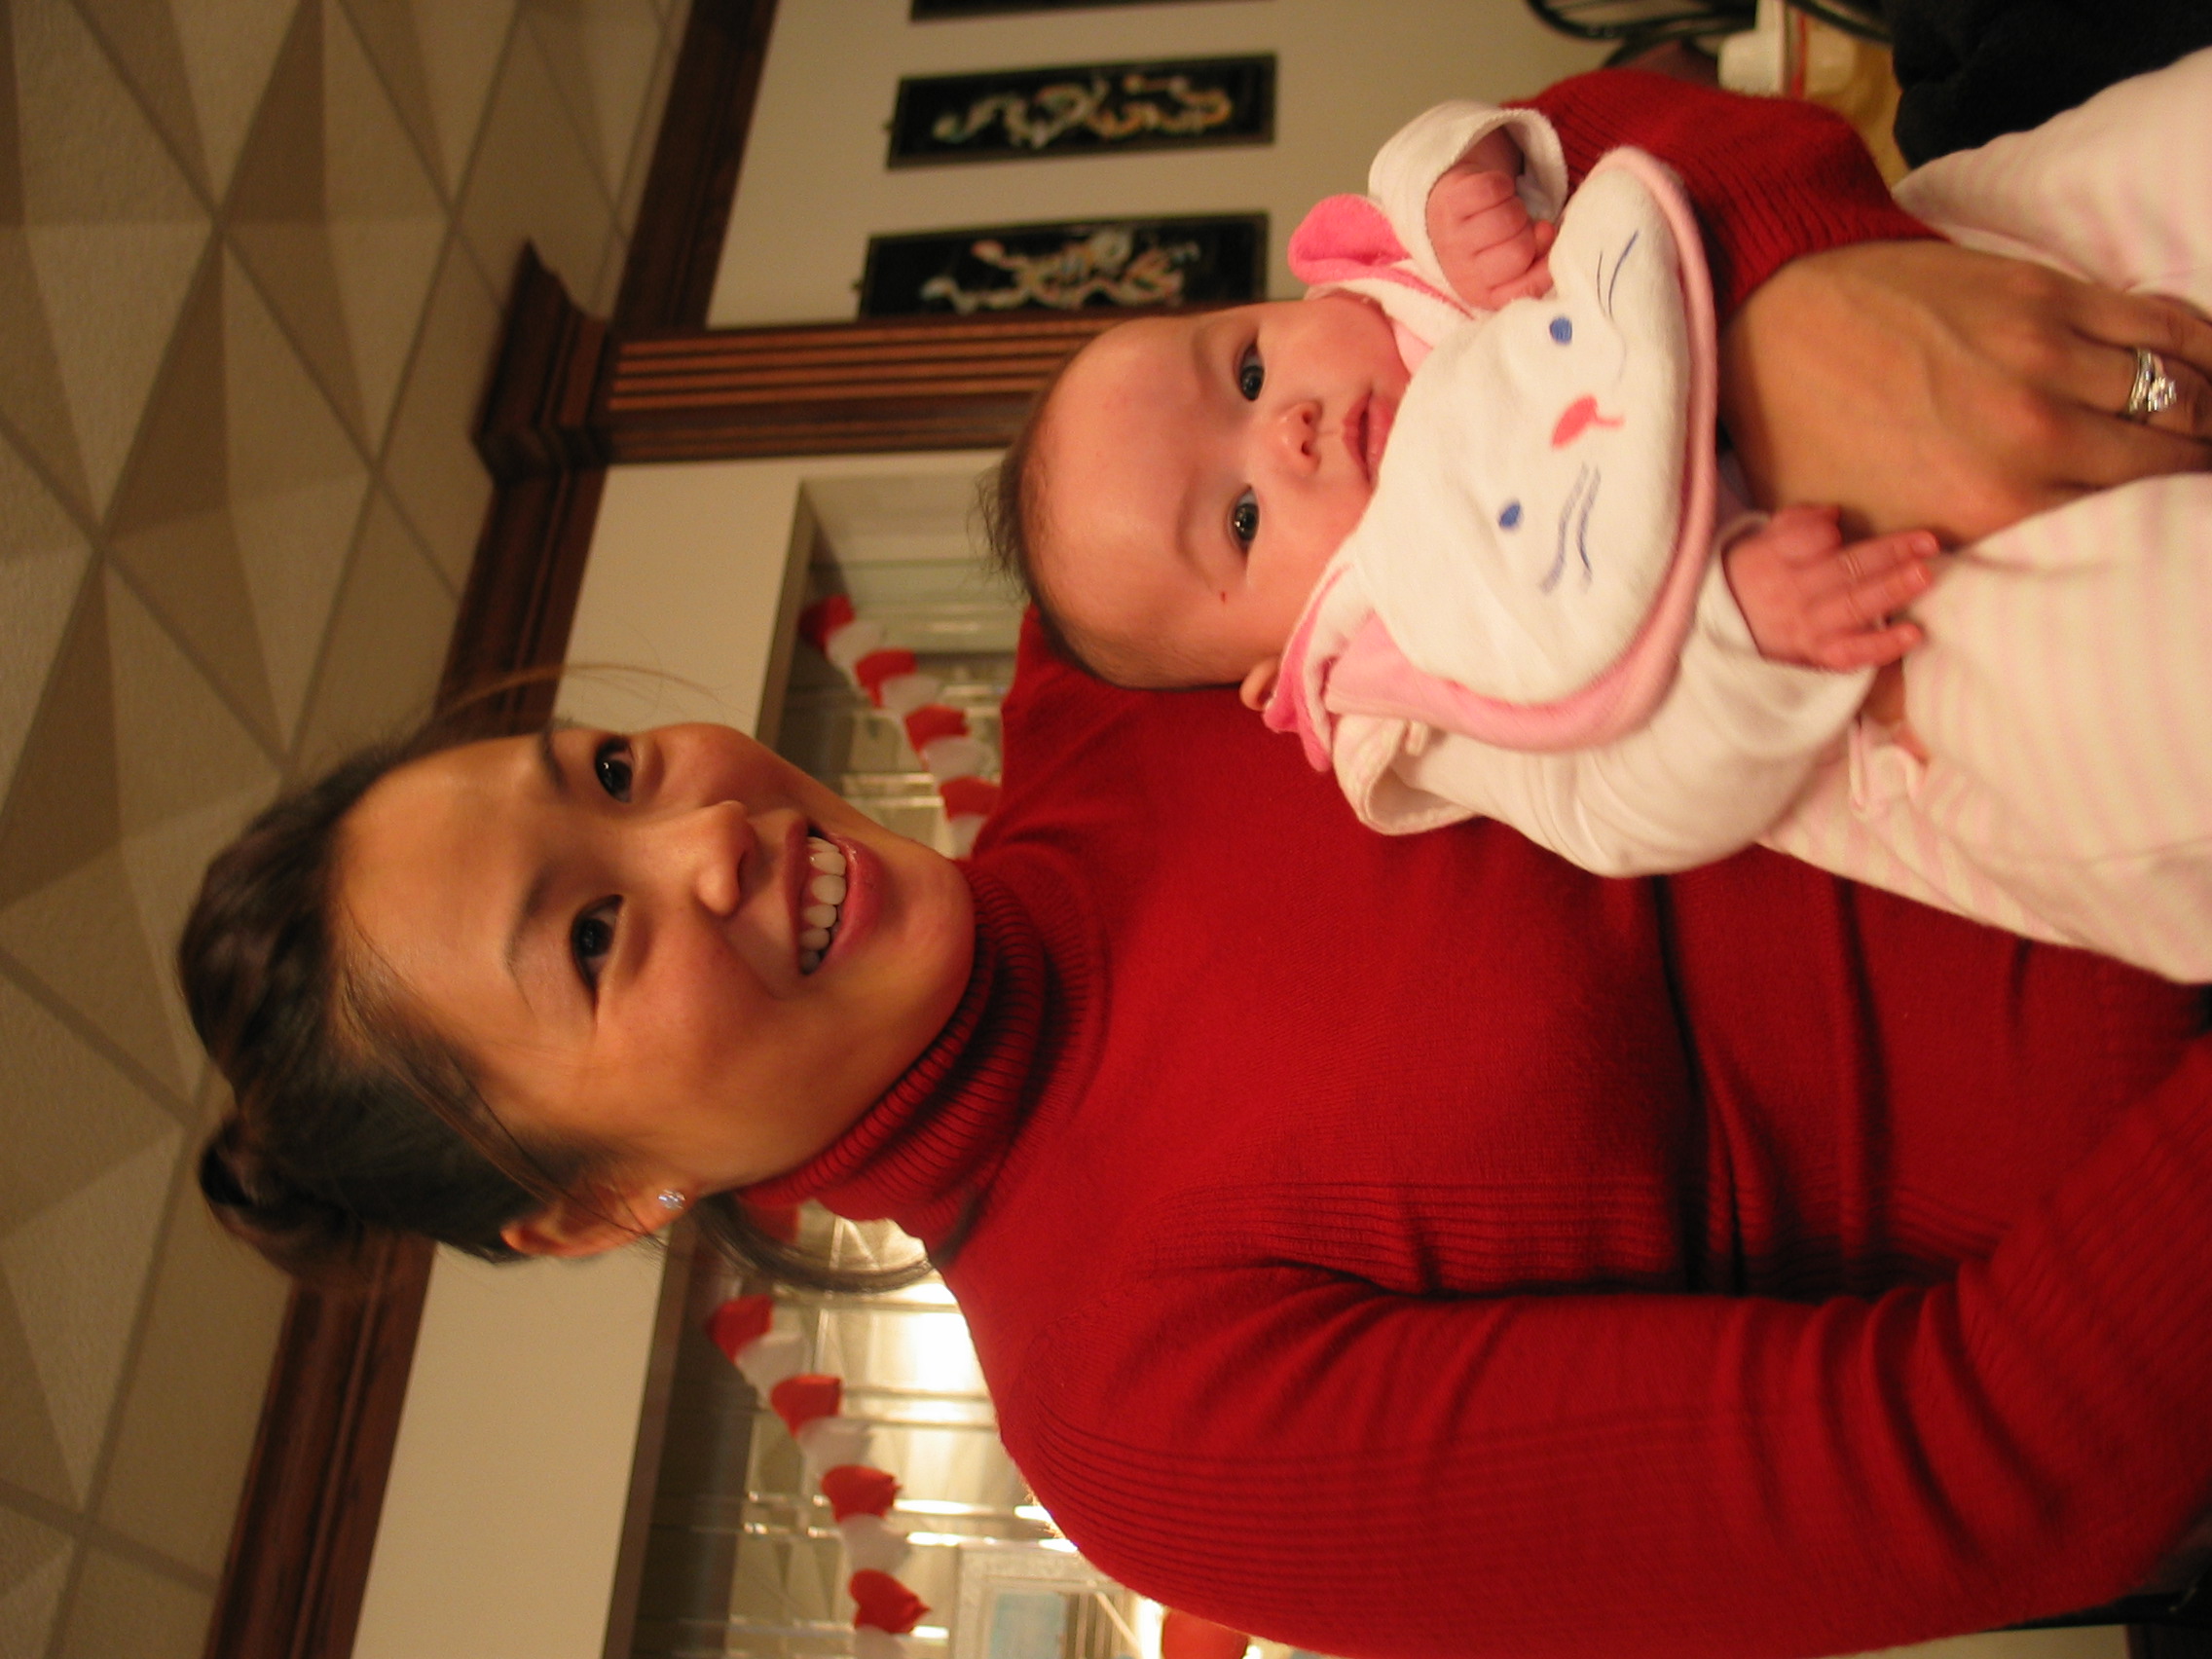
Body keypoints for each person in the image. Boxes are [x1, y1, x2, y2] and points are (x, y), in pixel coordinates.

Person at [180, 67, 2212, 1659]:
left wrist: (1796, 302)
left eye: (613, 767)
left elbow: (1524, 212)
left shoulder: (1120, 647)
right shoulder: (1144, 1422)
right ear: (597, 1201)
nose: (707, 827)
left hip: (2100, 377)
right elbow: (1970, 1459)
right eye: (593, 933)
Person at [998, 57, 2212, 977]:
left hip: (1965, 254)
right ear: (1277, 671)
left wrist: (1466, 180)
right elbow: (1613, 806)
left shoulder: (1420, 275)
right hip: (1873, 641)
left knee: (2156, 165)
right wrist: (1738, 639)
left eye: (1248, 370)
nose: (1287, 431)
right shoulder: (1407, 672)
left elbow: (1500, 140)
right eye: (1241, 519)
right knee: (2136, 686)